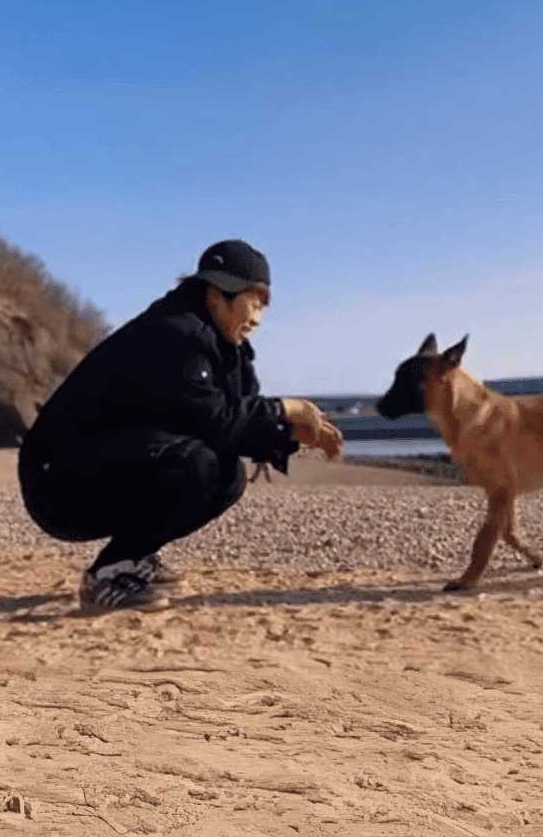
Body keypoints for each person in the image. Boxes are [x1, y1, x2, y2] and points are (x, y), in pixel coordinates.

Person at [18, 240, 342, 610]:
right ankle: (109, 574)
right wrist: (289, 408)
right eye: (253, 302)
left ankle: (133, 558)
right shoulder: (173, 335)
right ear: (217, 297)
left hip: (103, 463)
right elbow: (218, 420)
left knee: (227, 476)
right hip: (57, 483)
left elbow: (233, 422)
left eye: (264, 305)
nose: (258, 318)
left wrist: (292, 436)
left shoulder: (226, 347)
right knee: (196, 463)